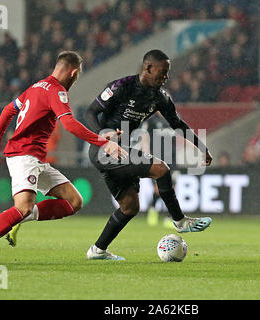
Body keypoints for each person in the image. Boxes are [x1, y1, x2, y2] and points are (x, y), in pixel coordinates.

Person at [0, 51, 127, 266]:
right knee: (22, 207)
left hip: (36, 158)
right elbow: (69, 124)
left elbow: (7, 110)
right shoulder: (57, 92)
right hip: (24, 155)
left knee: (74, 201)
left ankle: (15, 219)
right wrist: (103, 143)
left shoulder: (36, 87)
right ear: (74, 73)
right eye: (76, 78)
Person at [83, 49, 213, 260]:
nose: (166, 77)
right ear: (148, 68)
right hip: (103, 150)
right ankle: (180, 222)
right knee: (161, 169)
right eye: (162, 72)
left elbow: (178, 124)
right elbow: (90, 112)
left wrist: (201, 147)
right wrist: (102, 136)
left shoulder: (160, 97)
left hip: (122, 152)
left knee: (130, 206)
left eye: (167, 73)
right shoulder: (120, 87)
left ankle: (97, 250)